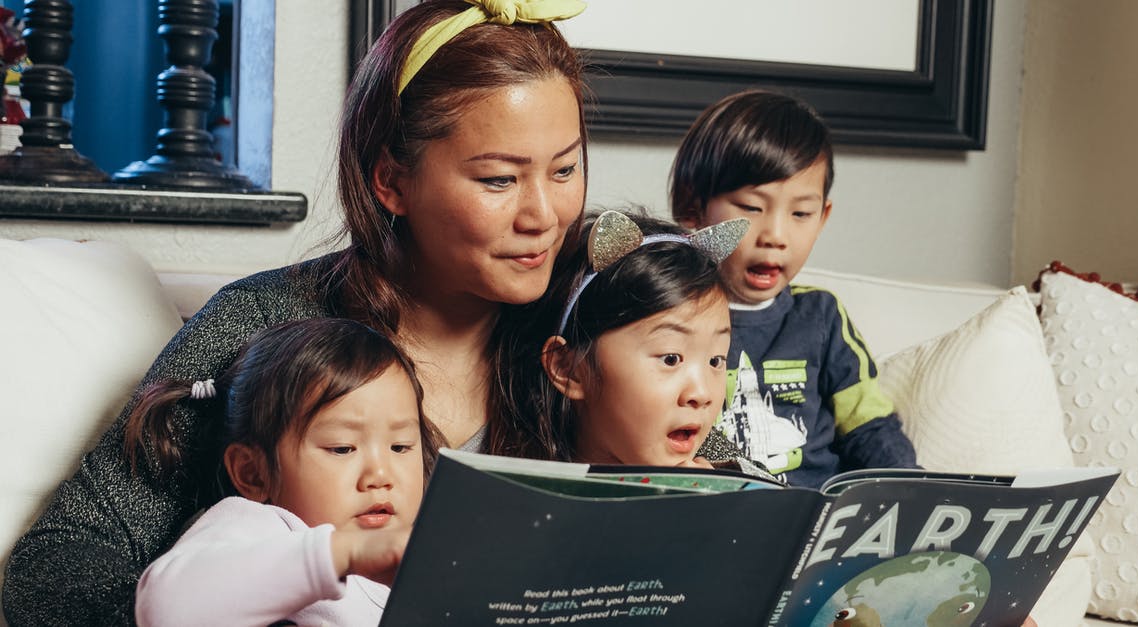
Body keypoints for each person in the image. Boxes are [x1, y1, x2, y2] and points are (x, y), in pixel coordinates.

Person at [2, 1, 588, 624]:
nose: (544, 216)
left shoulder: (587, 322)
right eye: (499, 179)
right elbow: (53, 575)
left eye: (565, 169)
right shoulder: (266, 326)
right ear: (390, 179)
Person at [669, 90, 919, 488]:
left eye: (801, 213)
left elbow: (869, 426)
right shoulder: (670, 314)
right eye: (751, 208)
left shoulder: (821, 317)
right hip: (718, 512)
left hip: (815, 515)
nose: (776, 236)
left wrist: (912, 491)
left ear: (823, 217)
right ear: (692, 208)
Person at [131, 318, 436, 625]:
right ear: (254, 473)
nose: (380, 475)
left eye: (400, 447)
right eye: (342, 448)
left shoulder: (424, 559)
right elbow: (164, 611)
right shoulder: (266, 529)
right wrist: (345, 554)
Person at [504, 209, 768, 476]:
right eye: (671, 359)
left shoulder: (725, 470)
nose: (701, 395)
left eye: (715, 361)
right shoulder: (519, 476)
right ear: (568, 367)